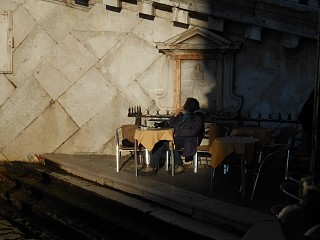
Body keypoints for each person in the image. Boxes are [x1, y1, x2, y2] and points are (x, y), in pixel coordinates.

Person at [141, 97, 206, 175]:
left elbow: (194, 131)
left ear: (190, 106)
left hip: (188, 140)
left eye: (185, 104)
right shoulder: (183, 115)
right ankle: (153, 167)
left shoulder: (197, 116)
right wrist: (175, 115)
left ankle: (177, 165)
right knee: (160, 141)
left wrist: (178, 133)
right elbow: (170, 124)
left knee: (167, 142)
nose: (183, 106)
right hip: (177, 137)